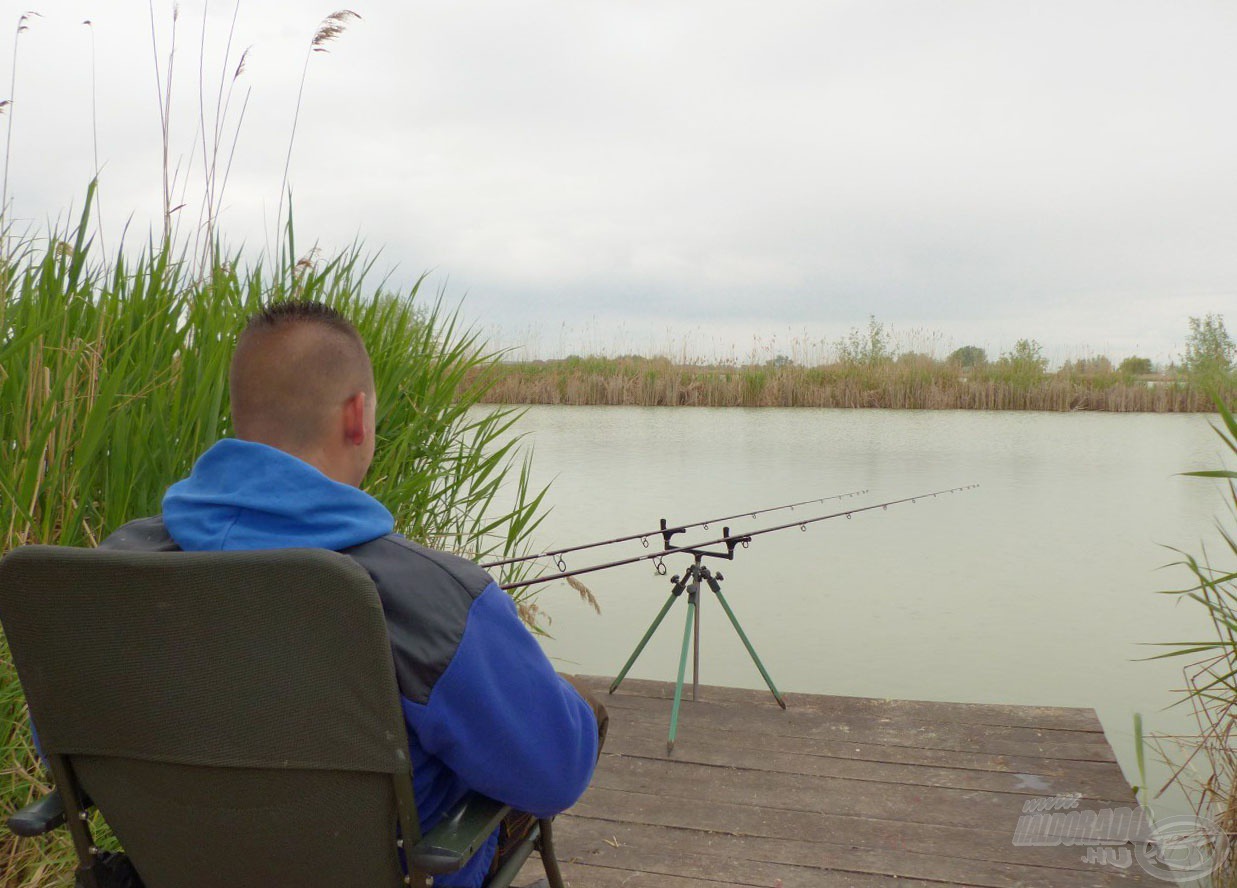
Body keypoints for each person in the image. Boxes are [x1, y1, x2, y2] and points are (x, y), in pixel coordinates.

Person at [100, 300, 607, 888]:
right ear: (357, 417)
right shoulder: (431, 599)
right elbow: (556, 776)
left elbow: (66, 746)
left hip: (180, 872)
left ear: (242, 416)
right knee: (577, 720)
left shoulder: (115, 572)